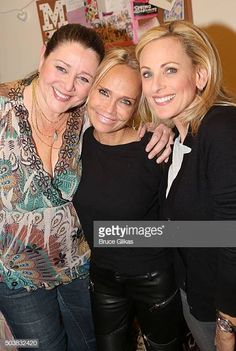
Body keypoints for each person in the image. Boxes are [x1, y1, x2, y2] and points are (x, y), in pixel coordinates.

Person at [0, 23, 173, 351]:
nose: (68, 86)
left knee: (90, 344)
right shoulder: (5, 106)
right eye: (62, 68)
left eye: (84, 79)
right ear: (43, 58)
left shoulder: (85, 117)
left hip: (81, 267)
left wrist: (163, 126)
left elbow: (120, 113)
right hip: (19, 277)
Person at [73, 47, 183, 351]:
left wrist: (168, 126)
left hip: (153, 278)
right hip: (104, 278)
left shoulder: (155, 149)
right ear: (91, 88)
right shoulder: (80, 142)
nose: (110, 109)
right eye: (104, 92)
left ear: (137, 106)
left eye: (125, 101)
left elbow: (185, 225)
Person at [135, 20, 236, 351]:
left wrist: (227, 324)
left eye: (170, 70)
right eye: (147, 73)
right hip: (193, 297)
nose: (156, 85)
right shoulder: (181, 135)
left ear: (201, 75)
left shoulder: (220, 127)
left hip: (221, 311)